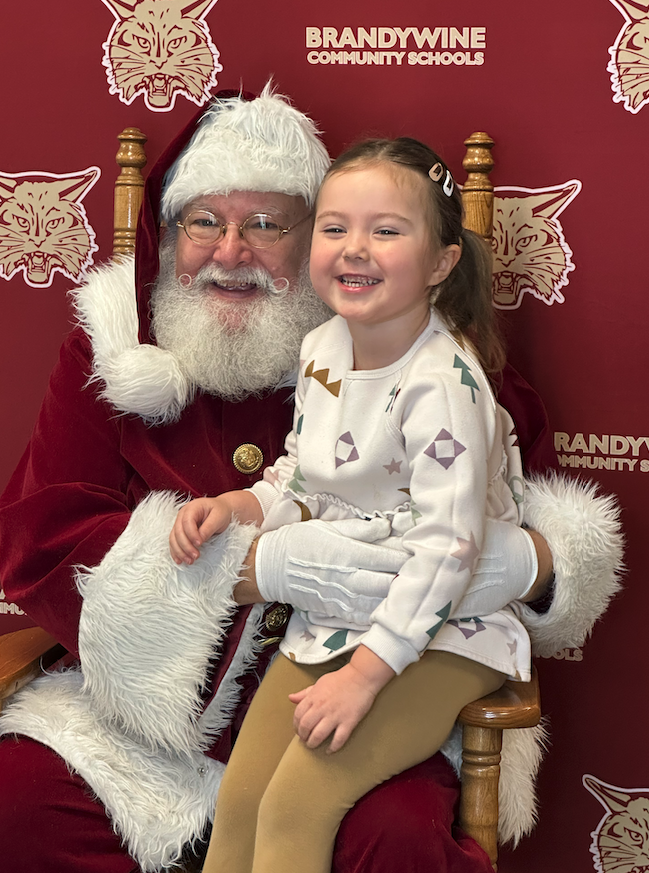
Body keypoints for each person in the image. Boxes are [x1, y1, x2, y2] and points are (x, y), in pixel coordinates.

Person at [0, 87, 622, 873]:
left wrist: (532, 560)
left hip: (383, 663)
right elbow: (44, 537)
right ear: (170, 234)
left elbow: (529, 511)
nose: (229, 252)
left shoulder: (415, 352)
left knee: (386, 835)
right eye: (203, 221)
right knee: (15, 804)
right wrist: (253, 563)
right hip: (146, 713)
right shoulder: (117, 353)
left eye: (264, 224)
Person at [171, 135, 532, 873]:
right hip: (339, 615)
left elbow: (448, 551)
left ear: (440, 262)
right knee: (239, 800)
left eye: (386, 231)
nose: (354, 248)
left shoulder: (443, 385)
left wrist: (365, 675)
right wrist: (238, 505)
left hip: (440, 631)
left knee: (295, 805)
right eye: (334, 227)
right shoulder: (322, 348)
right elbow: (303, 479)